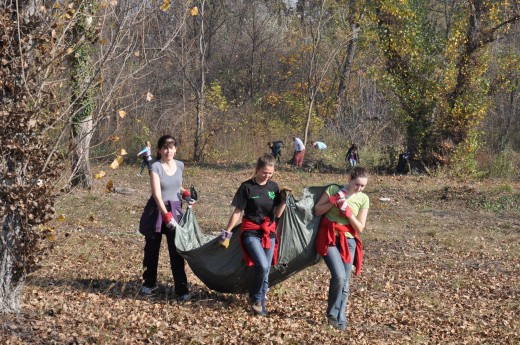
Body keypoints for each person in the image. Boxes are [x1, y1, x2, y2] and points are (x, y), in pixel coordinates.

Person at [218, 154, 288, 316]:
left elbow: (277, 214)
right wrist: (227, 232)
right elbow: (238, 211)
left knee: (265, 269)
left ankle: (260, 307)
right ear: (256, 170)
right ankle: (255, 298)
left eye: (270, 173)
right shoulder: (246, 187)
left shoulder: (274, 187)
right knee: (262, 265)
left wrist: (283, 201)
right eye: (264, 172)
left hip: (268, 232)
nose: (267, 176)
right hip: (250, 231)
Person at [138, 135, 196, 301]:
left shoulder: (180, 165)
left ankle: (181, 289)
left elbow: (177, 185)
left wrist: (185, 195)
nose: (168, 150)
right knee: (151, 250)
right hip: (158, 211)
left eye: (171, 147)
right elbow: (157, 194)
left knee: (177, 252)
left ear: (175, 149)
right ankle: (149, 283)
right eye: (165, 147)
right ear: (159, 150)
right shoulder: (155, 167)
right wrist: (166, 216)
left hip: (175, 210)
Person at [313, 167, 370, 330]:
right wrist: (333, 200)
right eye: (357, 184)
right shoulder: (333, 189)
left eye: (363, 186)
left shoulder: (364, 199)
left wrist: (348, 212)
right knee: (338, 276)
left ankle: (340, 316)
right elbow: (317, 210)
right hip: (329, 237)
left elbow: (360, 228)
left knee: (345, 282)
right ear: (349, 179)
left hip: (349, 241)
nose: (359, 188)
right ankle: (332, 314)